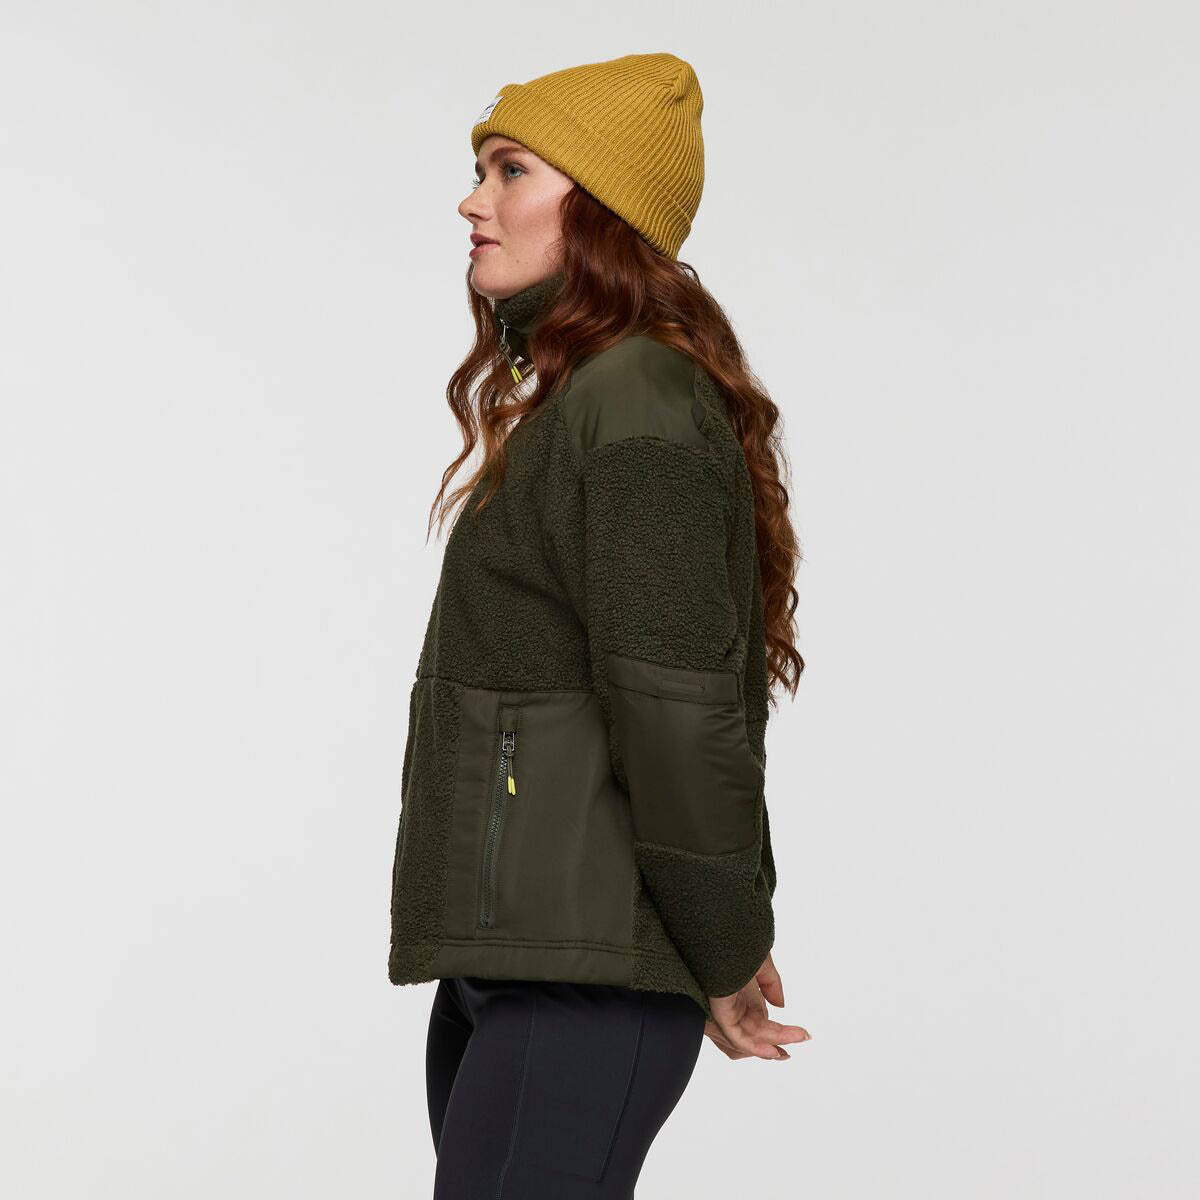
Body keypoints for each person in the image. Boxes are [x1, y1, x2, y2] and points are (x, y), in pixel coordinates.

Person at [389, 51, 812, 1196]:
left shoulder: (635, 404)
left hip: (587, 982)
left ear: (605, 206)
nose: (473, 200)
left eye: (509, 170)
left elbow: (675, 713)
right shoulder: (589, 400)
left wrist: (723, 944)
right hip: (524, 965)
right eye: (482, 169)